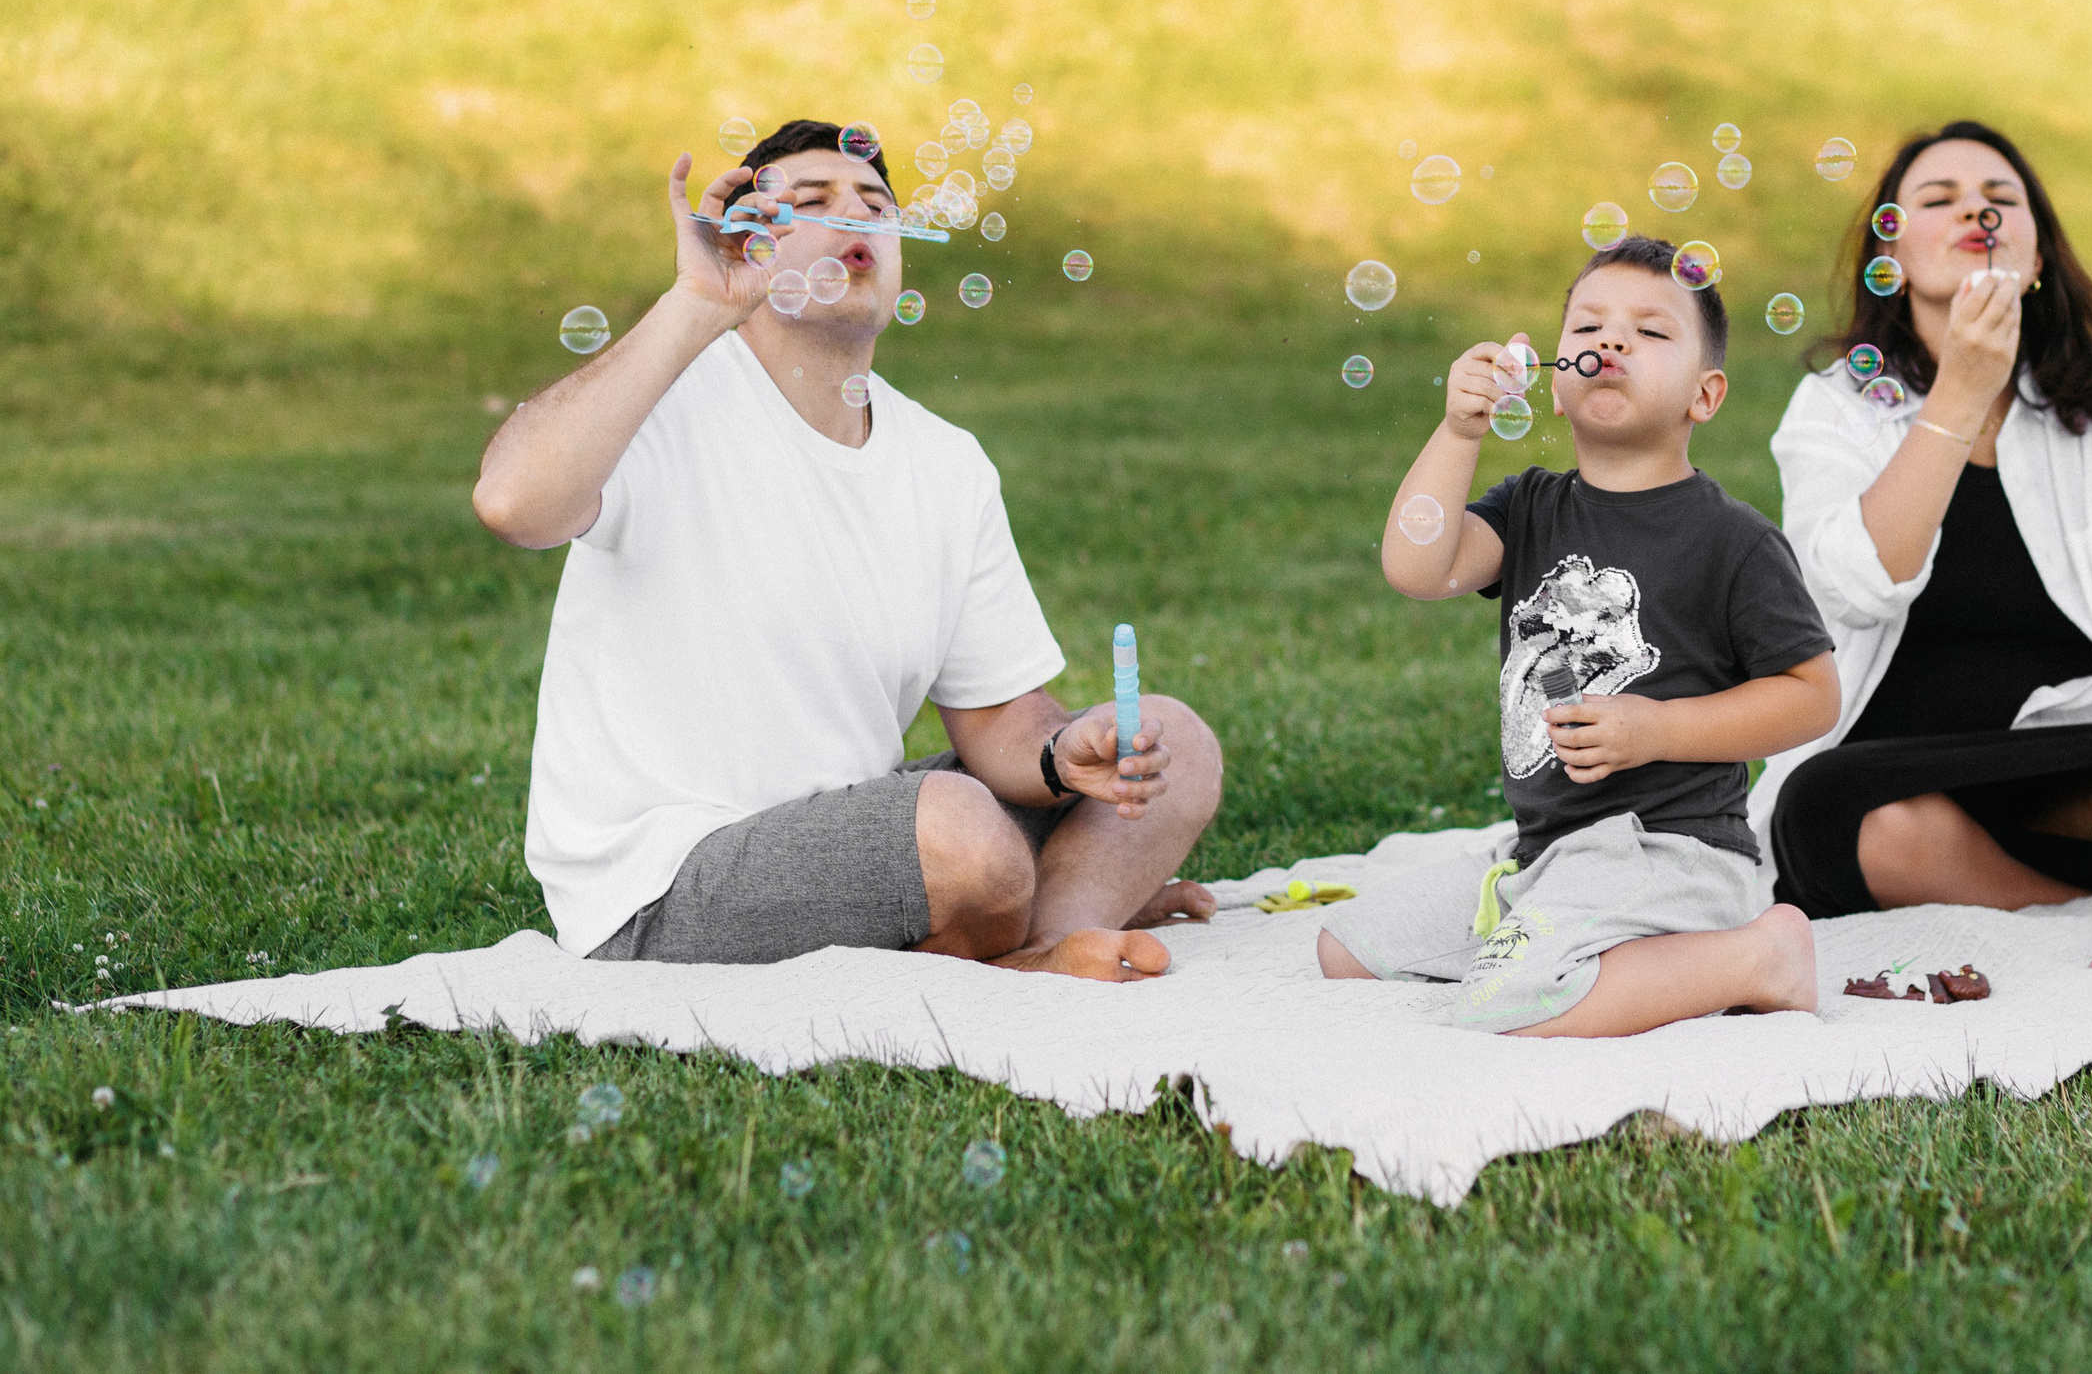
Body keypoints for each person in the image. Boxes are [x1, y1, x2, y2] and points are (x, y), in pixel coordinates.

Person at [471, 120, 1223, 981]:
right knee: (962, 837)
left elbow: (1001, 719)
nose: (855, 220)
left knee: (1176, 743)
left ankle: (1057, 934)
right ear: (749, 240)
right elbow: (510, 501)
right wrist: (698, 304)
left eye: (875, 205)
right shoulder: (662, 405)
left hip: (857, 827)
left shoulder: (946, 462)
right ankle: (1019, 939)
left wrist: (1066, 751)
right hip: (668, 875)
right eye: (812, 203)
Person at [1753, 120, 2092, 975]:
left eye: (2000, 199)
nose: (1974, 212)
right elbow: (1853, 585)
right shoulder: (1837, 406)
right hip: (1890, 772)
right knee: (1833, 809)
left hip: (2058, 758)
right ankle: (2084, 911)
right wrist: (1958, 393)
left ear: (2038, 256)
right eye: (1938, 200)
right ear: (1895, 252)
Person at [1314, 237, 1840, 1036]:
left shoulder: (1733, 540)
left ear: (1706, 394)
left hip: (1674, 854)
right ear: (1556, 387)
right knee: (1344, 947)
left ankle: (1761, 956)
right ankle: (1544, 924)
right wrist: (1460, 430)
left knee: (1506, 1007)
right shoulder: (1529, 507)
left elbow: (1813, 696)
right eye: (1587, 328)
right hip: (1549, 847)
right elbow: (1418, 567)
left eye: (1651, 332)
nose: (1611, 342)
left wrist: (1659, 727)